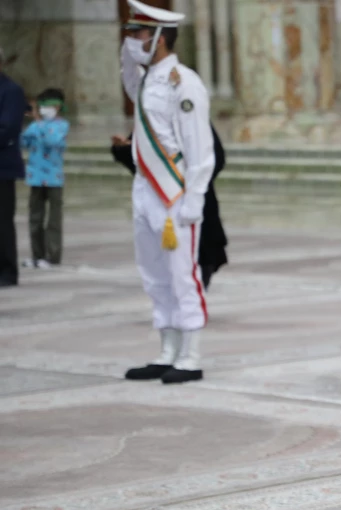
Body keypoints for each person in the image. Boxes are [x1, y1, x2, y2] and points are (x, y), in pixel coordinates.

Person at [120, 0, 215, 384]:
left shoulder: (184, 82)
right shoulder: (146, 80)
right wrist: (128, 56)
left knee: (181, 273)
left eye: (138, 34)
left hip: (174, 191)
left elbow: (199, 146)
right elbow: (128, 79)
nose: (132, 40)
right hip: (145, 186)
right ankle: (167, 349)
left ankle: (190, 355)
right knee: (153, 273)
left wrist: (194, 197)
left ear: (158, 38)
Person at [111, 125, 227, 289]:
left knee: (198, 262)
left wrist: (189, 181)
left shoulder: (193, 117)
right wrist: (123, 149)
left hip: (194, 200)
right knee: (162, 267)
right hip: (160, 203)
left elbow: (216, 158)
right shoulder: (149, 120)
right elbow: (140, 160)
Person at [20, 88, 70, 269]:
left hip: (54, 178)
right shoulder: (35, 126)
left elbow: (53, 142)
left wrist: (38, 125)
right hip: (35, 177)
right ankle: (37, 255)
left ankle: (53, 256)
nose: (42, 110)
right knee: (35, 218)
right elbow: (24, 142)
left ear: (57, 106)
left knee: (53, 219)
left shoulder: (62, 125)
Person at [0, 46, 26, 288]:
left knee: (2, 221)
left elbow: (7, 128)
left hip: (2, 167)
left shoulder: (11, 90)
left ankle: (7, 271)